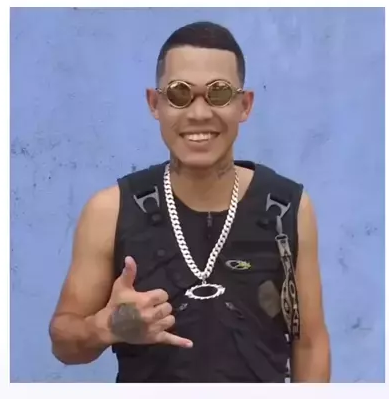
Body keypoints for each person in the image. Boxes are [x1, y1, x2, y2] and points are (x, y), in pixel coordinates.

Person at [49, 21, 331, 382]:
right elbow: (64, 343)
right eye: (179, 94)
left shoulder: (287, 208)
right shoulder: (110, 211)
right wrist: (106, 327)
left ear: (244, 105)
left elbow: (310, 344)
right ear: (155, 104)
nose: (199, 113)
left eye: (219, 93)